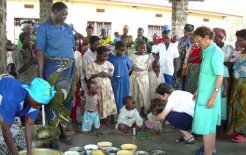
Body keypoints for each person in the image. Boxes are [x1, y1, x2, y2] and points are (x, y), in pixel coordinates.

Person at [36, 2, 76, 144]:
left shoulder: (68, 28)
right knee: (54, 100)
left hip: (70, 68)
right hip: (53, 69)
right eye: (62, 14)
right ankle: (55, 135)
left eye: (66, 14)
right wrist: (41, 76)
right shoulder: (43, 28)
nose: (65, 16)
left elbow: (71, 49)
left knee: (68, 99)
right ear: (53, 12)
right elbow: (40, 54)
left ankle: (63, 130)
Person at [0, 76, 55, 155]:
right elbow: (5, 130)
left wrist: (29, 151)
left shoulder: (37, 102)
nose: (39, 106)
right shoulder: (12, 99)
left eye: (42, 104)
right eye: (38, 104)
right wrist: (15, 153)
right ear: (30, 95)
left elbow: (29, 124)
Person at [192, 26, 224, 155]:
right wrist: (197, 91)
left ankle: (207, 152)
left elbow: (219, 76)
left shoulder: (215, 52)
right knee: (210, 126)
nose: (198, 43)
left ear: (206, 36)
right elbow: (206, 76)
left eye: (199, 40)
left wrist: (213, 97)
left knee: (205, 127)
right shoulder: (206, 50)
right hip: (204, 93)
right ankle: (212, 150)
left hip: (209, 96)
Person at [86, 46, 117, 126]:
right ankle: (98, 119)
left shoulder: (109, 64)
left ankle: (108, 119)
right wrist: (98, 74)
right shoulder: (91, 65)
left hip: (107, 88)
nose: (106, 57)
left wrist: (107, 75)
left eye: (107, 56)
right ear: (98, 55)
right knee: (98, 103)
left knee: (108, 103)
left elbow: (111, 75)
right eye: (104, 56)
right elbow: (88, 77)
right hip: (97, 89)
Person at [227, 29, 246, 143]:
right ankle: (237, 130)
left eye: (240, 40)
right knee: (236, 107)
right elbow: (235, 64)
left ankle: (244, 133)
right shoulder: (242, 51)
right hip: (237, 84)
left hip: (244, 85)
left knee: (243, 109)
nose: (238, 42)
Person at [130, 40, 151, 116]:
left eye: (144, 48)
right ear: (137, 47)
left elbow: (148, 66)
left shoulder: (147, 56)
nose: (143, 49)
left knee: (143, 94)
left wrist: (143, 72)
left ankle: (142, 110)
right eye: (141, 48)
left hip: (144, 77)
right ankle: (132, 109)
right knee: (134, 93)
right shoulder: (132, 56)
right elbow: (131, 66)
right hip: (134, 77)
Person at [108, 41, 132, 110]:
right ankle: (118, 109)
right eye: (121, 50)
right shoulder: (111, 58)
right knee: (116, 94)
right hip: (116, 80)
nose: (123, 52)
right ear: (116, 49)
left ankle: (125, 109)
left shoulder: (126, 58)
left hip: (125, 79)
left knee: (125, 94)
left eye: (124, 50)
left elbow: (129, 67)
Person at [174, 24, 194, 90]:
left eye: (188, 32)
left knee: (184, 81)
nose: (186, 33)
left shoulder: (191, 41)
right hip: (178, 62)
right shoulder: (180, 39)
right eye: (185, 31)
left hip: (186, 63)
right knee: (177, 79)